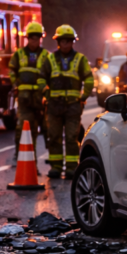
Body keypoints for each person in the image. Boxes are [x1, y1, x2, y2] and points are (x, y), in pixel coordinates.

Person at [40, 24, 94, 178]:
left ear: (72, 42)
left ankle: (71, 167)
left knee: (71, 137)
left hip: (73, 106)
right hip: (54, 105)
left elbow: (89, 79)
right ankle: (56, 167)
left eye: (68, 41)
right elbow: (41, 78)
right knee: (54, 137)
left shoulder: (80, 59)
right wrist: (46, 93)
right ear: (58, 42)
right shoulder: (49, 59)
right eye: (63, 41)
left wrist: (84, 96)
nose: (66, 44)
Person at [10, 22, 51, 156]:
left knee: (49, 129)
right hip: (25, 99)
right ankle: (21, 156)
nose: (34, 40)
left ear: (40, 38)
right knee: (24, 128)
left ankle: (53, 158)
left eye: (37, 37)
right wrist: (16, 85)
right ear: (27, 38)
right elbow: (12, 71)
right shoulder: (19, 54)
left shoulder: (47, 55)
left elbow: (52, 74)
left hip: (41, 99)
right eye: (32, 37)